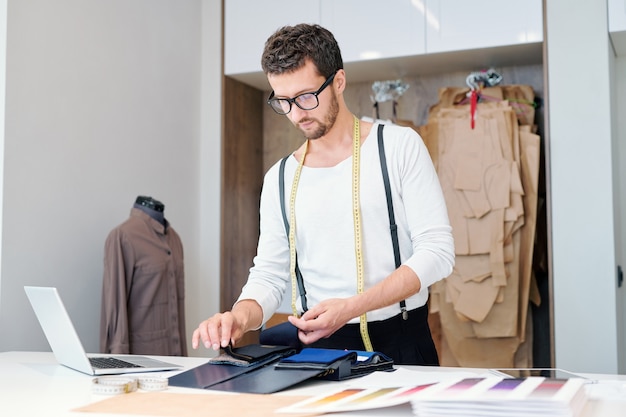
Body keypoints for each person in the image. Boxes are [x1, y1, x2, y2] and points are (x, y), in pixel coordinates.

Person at [192, 24, 454, 365]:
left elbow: (438, 252)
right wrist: (238, 317)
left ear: (339, 81)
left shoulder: (398, 147)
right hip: (320, 354)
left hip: (403, 343)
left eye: (305, 96)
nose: (297, 113)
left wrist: (352, 307)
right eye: (283, 101)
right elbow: (268, 275)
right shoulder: (280, 178)